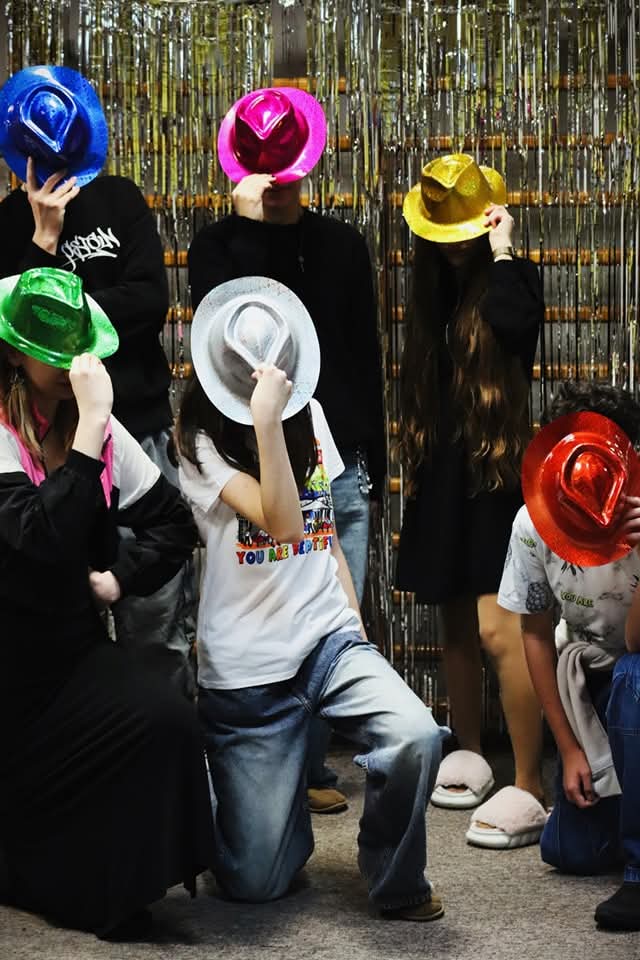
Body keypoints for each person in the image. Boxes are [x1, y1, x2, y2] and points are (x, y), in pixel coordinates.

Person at [175, 275, 446, 919]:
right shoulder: (198, 440)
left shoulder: (310, 413)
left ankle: (393, 876)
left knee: (415, 734)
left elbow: (320, 534)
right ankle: (253, 796)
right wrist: (267, 420)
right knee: (256, 881)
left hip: (326, 642)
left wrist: (354, 625)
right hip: (248, 677)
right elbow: (281, 522)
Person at [188, 86, 386, 812]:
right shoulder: (217, 246)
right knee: (269, 605)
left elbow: (363, 356)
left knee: (331, 616)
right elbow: (223, 332)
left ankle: (309, 770)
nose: (276, 183)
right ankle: (272, 772)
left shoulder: (342, 245)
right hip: (251, 455)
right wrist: (249, 231)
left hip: (336, 453)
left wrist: (370, 459)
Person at [0, 266, 213, 938]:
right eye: (53, 353)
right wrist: (92, 425)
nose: (71, 366)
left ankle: (117, 887)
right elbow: (41, 538)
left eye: (77, 349)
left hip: (69, 652)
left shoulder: (98, 429)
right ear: (14, 353)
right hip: (6, 669)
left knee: (165, 715)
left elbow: (174, 525)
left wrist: (118, 580)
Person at [0, 64, 195, 696]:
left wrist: (68, 318)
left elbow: (150, 300)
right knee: (51, 603)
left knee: (156, 625)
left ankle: (164, 732)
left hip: (130, 425)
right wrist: (42, 241)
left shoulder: (119, 200)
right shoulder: (7, 224)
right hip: (46, 438)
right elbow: (12, 326)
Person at [397, 153, 545, 847]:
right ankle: (470, 752)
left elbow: (517, 329)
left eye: (463, 234)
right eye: (444, 235)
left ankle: (531, 781)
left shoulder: (511, 278)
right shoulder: (433, 289)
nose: (454, 247)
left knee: (498, 629)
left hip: (496, 471)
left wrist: (504, 249)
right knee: (453, 622)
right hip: (444, 472)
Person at [498, 380, 640, 931]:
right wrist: (569, 748)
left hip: (636, 670)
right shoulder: (534, 520)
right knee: (568, 852)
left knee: (631, 677)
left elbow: (636, 645)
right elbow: (535, 634)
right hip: (587, 680)